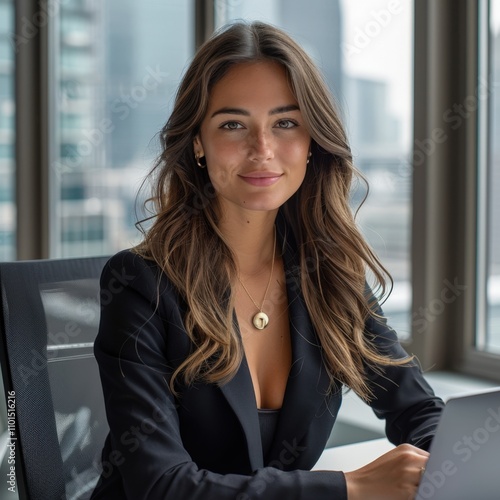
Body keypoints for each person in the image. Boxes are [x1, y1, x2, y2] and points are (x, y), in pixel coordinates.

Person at [91, 21, 444, 500]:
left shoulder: (329, 274)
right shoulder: (141, 286)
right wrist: (351, 488)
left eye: (286, 123)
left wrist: (448, 463)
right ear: (198, 141)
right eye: (233, 125)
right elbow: (160, 486)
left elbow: (419, 410)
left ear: (312, 140)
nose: (262, 150)